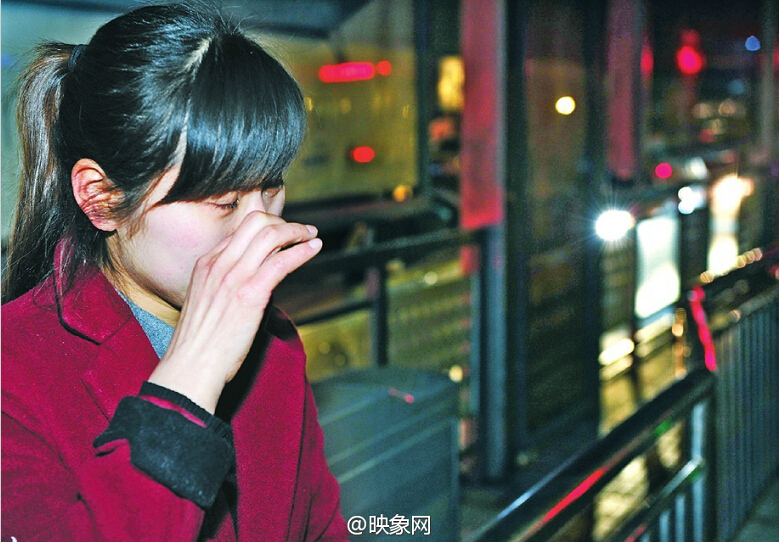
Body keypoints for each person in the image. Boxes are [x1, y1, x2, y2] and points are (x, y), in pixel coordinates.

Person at [1, 3, 349, 541]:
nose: (262, 226)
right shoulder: (14, 372)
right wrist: (194, 374)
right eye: (225, 201)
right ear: (101, 198)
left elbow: (322, 528)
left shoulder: (274, 342)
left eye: (272, 185)